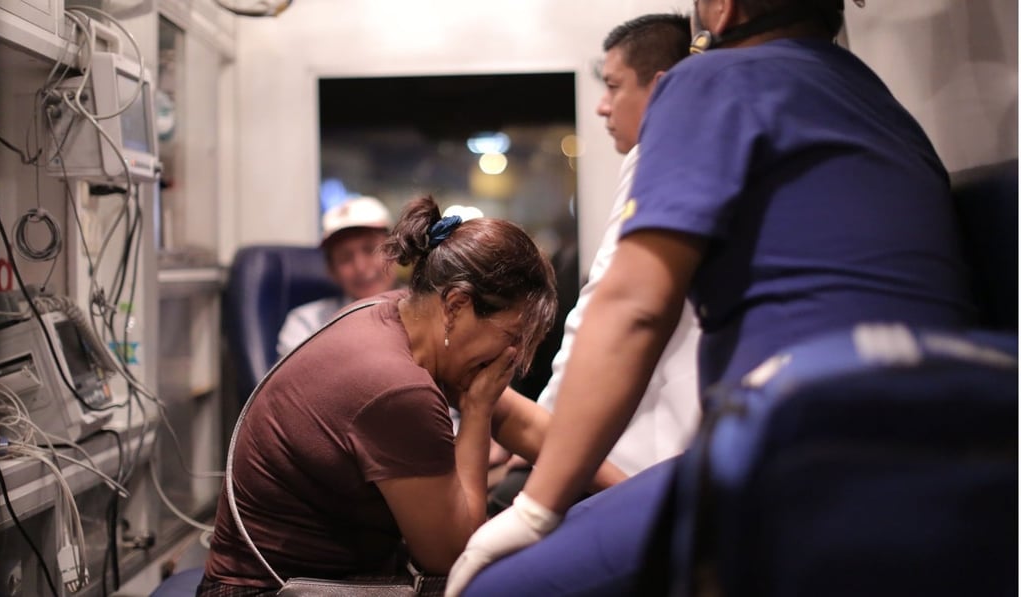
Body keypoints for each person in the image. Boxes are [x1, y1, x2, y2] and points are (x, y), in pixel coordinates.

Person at [447, 0, 978, 594]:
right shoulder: (882, 102)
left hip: (804, 441)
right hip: (960, 430)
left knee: (489, 584)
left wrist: (534, 509)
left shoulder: (709, 80)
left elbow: (632, 309)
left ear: (721, 9)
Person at [198, 195, 563, 595]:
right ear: (457, 305)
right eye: (510, 338)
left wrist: (631, 491)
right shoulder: (398, 386)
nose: (508, 356)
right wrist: (476, 412)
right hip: (267, 590)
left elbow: (520, 421)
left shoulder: (401, 313)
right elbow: (454, 555)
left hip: (333, 571)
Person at [488, 12, 700, 513]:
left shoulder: (659, 153)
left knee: (499, 514)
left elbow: (602, 313)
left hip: (643, 464)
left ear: (663, 89)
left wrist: (543, 439)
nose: (603, 107)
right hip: (676, 444)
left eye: (613, 86)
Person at [275, 195, 398, 357]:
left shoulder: (427, 310)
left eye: (370, 250)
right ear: (332, 271)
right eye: (345, 257)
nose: (360, 267)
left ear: (396, 253)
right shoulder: (306, 324)